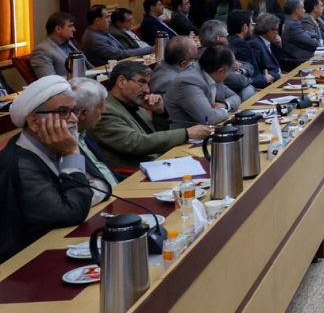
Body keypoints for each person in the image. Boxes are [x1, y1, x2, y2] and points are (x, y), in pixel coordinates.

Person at [0, 76, 106, 261]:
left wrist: (74, 196)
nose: (74, 119)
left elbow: (102, 185)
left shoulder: (58, 142)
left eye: (74, 110)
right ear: (34, 122)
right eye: (63, 111)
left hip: (61, 242)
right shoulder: (20, 164)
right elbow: (70, 213)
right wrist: (72, 153)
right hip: (26, 262)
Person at [90, 61, 212, 169]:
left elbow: (156, 136)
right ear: (121, 82)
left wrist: (160, 113)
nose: (147, 90)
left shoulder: (135, 103)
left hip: (159, 162)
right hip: (134, 173)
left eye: (148, 84)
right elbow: (136, 143)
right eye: (141, 82)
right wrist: (186, 133)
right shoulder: (105, 111)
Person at [165, 43, 235, 129]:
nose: (229, 74)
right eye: (230, 70)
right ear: (221, 71)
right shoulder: (188, 82)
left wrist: (225, 105)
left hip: (208, 130)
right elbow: (208, 118)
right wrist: (225, 111)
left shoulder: (213, 74)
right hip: (188, 135)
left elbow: (235, 97)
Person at [68, 77, 121, 190]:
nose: (104, 111)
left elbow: (107, 171)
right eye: (100, 107)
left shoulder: (85, 134)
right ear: (84, 113)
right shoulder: (66, 144)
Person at [81, 4, 152, 64]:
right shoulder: (94, 38)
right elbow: (120, 54)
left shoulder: (100, 31)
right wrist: (150, 49)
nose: (109, 20)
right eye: (106, 17)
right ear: (97, 21)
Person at [30, 12, 93, 78]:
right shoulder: (41, 51)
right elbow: (50, 80)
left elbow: (87, 66)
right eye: (70, 26)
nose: (74, 29)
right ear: (58, 29)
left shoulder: (69, 43)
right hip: (75, 84)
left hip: (90, 80)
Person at [281, 0, 319, 66]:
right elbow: (314, 43)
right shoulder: (293, 25)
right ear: (296, 10)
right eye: (303, 8)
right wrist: (314, 36)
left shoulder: (290, 21)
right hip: (299, 60)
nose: (304, 10)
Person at [248, 13, 283, 84]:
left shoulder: (269, 42)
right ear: (269, 31)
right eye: (276, 29)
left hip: (278, 78)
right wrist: (277, 75)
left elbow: (279, 63)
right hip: (270, 83)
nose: (277, 33)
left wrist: (278, 45)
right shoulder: (255, 44)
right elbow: (260, 71)